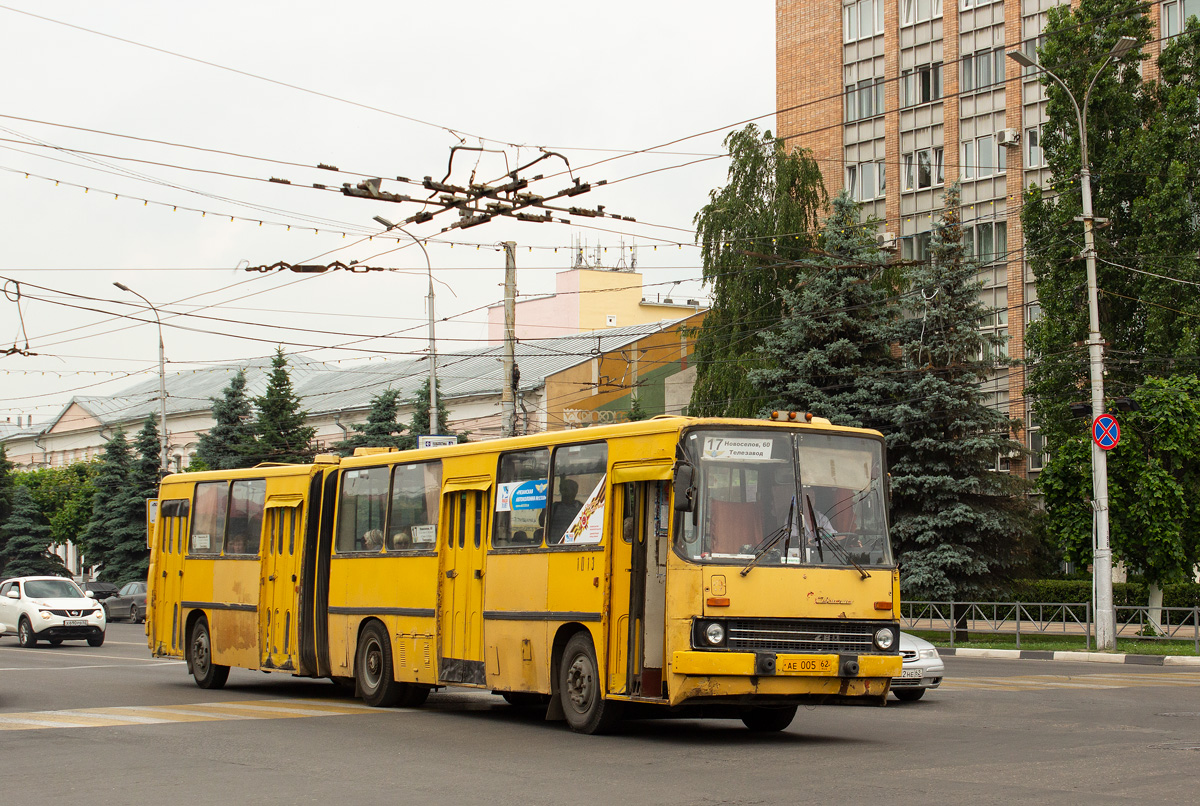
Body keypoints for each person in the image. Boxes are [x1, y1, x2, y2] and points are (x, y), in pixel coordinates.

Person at [548, 477, 583, 543]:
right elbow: (542, 522)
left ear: (575, 491)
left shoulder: (582, 508)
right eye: (564, 490)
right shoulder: (554, 507)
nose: (566, 493)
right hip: (555, 544)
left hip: (577, 543)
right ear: (561, 491)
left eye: (569, 489)